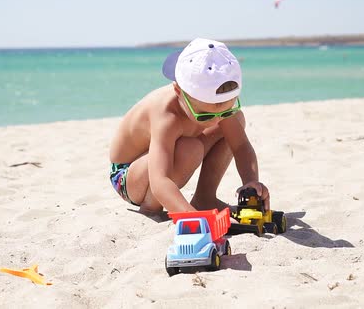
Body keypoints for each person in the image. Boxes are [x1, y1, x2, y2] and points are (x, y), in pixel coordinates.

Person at [109, 38, 270, 215]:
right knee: (190, 149)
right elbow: (159, 180)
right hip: (129, 175)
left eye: (224, 111)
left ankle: (205, 198)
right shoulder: (166, 115)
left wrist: (251, 182)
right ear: (179, 92)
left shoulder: (214, 102)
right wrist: (194, 218)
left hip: (161, 160)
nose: (215, 121)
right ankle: (151, 206)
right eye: (206, 115)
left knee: (236, 120)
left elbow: (240, 146)